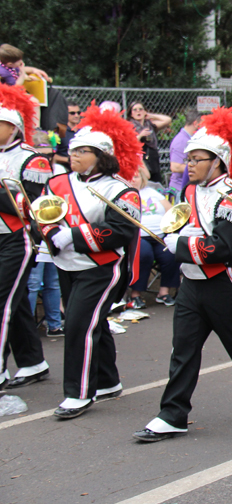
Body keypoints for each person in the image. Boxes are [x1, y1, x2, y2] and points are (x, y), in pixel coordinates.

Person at [133, 107, 232, 442]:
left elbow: (223, 248)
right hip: (191, 283)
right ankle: (173, 413)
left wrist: (179, 244)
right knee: (182, 348)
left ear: (218, 161)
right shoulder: (190, 192)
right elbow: (191, 229)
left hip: (223, 283)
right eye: (190, 158)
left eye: (198, 159)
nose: (191, 164)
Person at [43, 104, 144, 417]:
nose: (74, 155)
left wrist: (72, 236)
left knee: (78, 326)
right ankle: (107, 380)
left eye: (83, 151)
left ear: (102, 155)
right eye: (73, 149)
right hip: (65, 264)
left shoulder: (121, 190)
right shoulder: (58, 183)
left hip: (102, 267)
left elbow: (120, 231)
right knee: (92, 322)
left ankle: (79, 393)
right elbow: (43, 213)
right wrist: (51, 234)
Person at [0, 84, 52, 389]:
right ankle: (33, 361)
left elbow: (25, 205)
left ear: (14, 127)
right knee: (15, 303)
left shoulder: (33, 160)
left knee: (2, 301)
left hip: (16, 238)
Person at [128, 166, 179, 308]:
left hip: (160, 235)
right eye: (130, 177)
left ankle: (164, 292)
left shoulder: (152, 192)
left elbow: (170, 211)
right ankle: (135, 295)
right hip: (138, 237)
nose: (133, 180)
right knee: (144, 254)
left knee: (171, 253)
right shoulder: (124, 194)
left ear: (142, 178)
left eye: (136, 177)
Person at [127, 101, 171, 183]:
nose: (138, 111)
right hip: (141, 158)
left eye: (140, 109)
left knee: (157, 181)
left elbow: (167, 120)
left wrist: (152, 116)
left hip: (152, 157)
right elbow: (129, 144)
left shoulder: (150, 125)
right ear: (131, 114)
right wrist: (140, 136)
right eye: (135, 110)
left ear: (144, 112)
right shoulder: (129, 126)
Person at [168, 108, 204, 196]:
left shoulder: (189, 139)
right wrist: (201, 167)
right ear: (196, 123)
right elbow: (175, 167)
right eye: (202, 124)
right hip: (179, 190)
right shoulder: (181, 141)